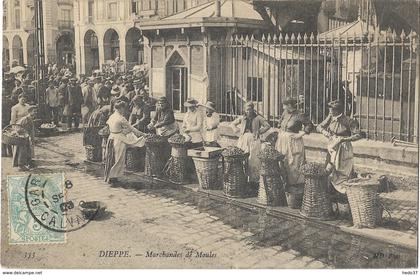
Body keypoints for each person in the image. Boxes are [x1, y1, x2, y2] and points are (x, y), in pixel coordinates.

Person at [317, 100, 363, 197]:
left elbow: (358, 135)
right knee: (330, 168)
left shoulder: (348, 120)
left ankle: (344, 194)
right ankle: (331, 192)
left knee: (342, 170)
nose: (330, 112)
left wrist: (343, 139)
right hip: (332, 146)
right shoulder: (330, 118)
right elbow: (319, 126)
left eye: (332, 110)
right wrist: (324, 132)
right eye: (329, 110)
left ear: (338, 111)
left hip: (344, 148)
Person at [275, 97, 314, 188]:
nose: (283, 107)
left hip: (293, 141)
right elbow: (280, 123)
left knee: (293, 162)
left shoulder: (299, 114)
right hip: (282, 141)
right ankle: (284, 182)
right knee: (282, 161)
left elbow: (310, 125)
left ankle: (295, 185)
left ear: (289, 105)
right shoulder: (285, 113)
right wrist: (280, 131)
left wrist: (300, 134)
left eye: (284, 105)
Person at [104, 101, 146, 184]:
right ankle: (113, 177)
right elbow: (132, 128)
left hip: (111, 138)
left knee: (111, 158)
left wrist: (122, 130)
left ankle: (111, 176)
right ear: (121, 108)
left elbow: (112, 128)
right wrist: (143, 134)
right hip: (118, 140)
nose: (124, 110)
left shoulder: (112, 116)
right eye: (124, 108)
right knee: (119, 159)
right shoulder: (121, 118)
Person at [232, 101, 270, 184]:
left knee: (253, 159)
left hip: (254, 140)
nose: (247, 112)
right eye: (246, 110)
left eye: (249, 109)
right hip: (243, 139)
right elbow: (232, 124)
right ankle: (243, 178)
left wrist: (259, 131)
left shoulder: (258, 118)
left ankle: (254, 180)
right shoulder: (242, 118)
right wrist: (238, 132)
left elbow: (267, 126)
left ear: (253, 109)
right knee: (242, 157)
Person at [12, 105, 37, 171]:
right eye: (34, 111)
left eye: (36, 111)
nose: (36, 113)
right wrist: (22, 133)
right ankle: (20, 166)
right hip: (21, 138)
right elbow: (17, 127)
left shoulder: (31, 119)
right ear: (30, 112)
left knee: (27, 150)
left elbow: (31, 130)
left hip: (26, 137)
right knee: (21, 151)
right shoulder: (25, 119)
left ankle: (27, 164)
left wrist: (31, 137)